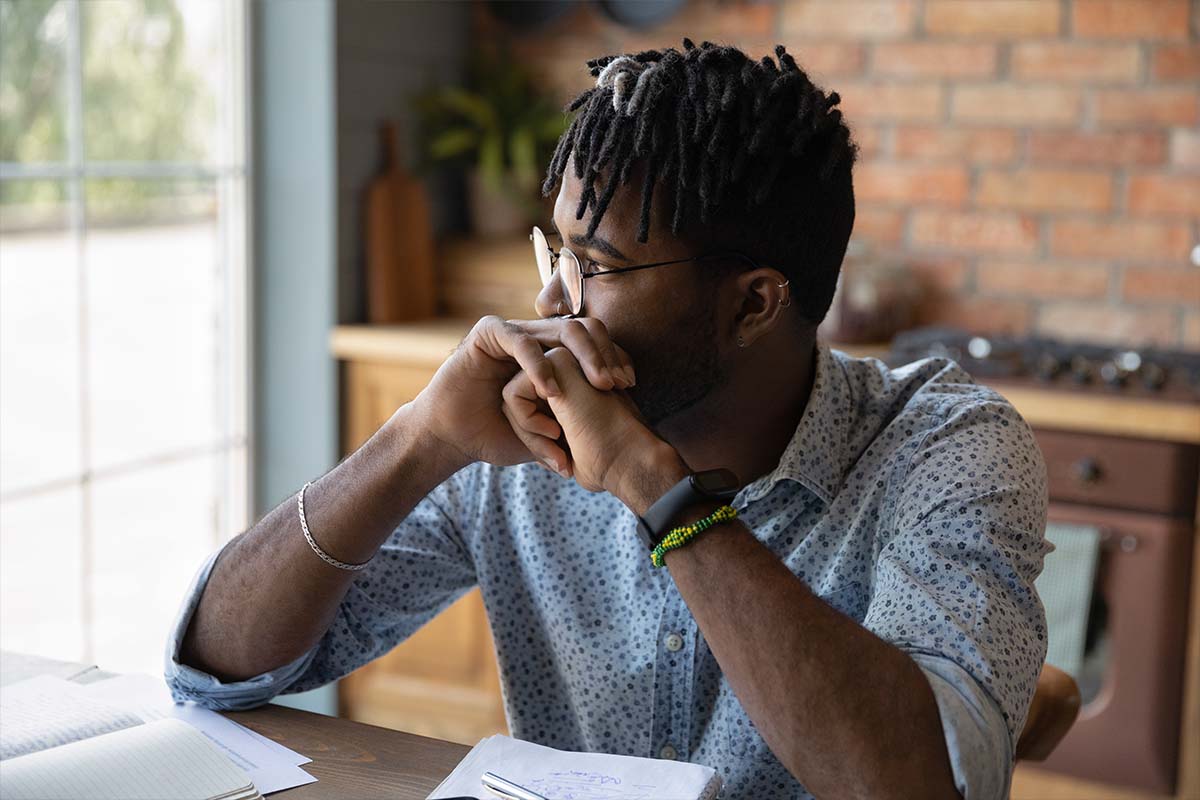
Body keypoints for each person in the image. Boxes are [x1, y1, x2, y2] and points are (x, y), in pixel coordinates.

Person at [167, 40, 1049, 799]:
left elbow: (921, 784)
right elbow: (218, 668)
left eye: (596, 264)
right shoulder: (518, 434)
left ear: (753, 306)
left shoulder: (948, 448)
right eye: (555, 249)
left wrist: (657, 489)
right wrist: (416, 439)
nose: (553, 300)